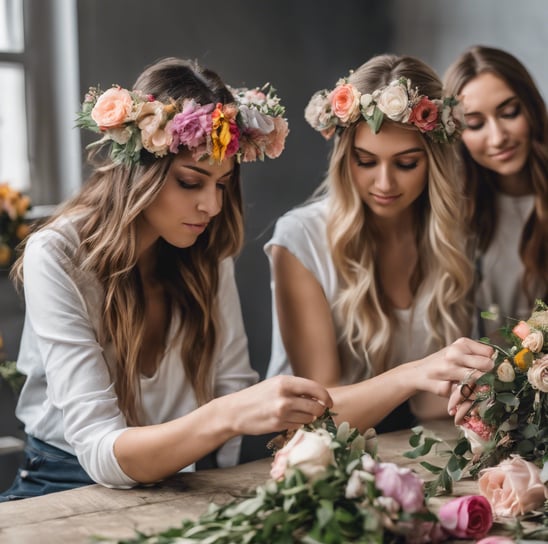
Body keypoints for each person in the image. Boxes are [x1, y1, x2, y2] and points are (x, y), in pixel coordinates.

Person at [0, 57, 332, 501]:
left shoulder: (203, 248)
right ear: (141, 166)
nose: (212, 207)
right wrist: (228, 414)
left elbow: (231, 383)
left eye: (222, 184)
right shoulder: (58, 254)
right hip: (64, 485)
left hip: (185, 482)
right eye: (191, 182)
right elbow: (100, 451)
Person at [265, 54, 494, 432]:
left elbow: (435, 405)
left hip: (419, 448)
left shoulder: (453, 235)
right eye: (365, 161)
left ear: (434, 162)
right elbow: (315, 418)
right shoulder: (300, 239)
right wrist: (413, 375)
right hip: (314, 461)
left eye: (405, 164)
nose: (384, 184)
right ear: (344, 158)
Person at [444, 46, 548, 338]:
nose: (498, 137)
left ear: (531, 108)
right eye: (475, 124)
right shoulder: (456, 213)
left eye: (509, 113)